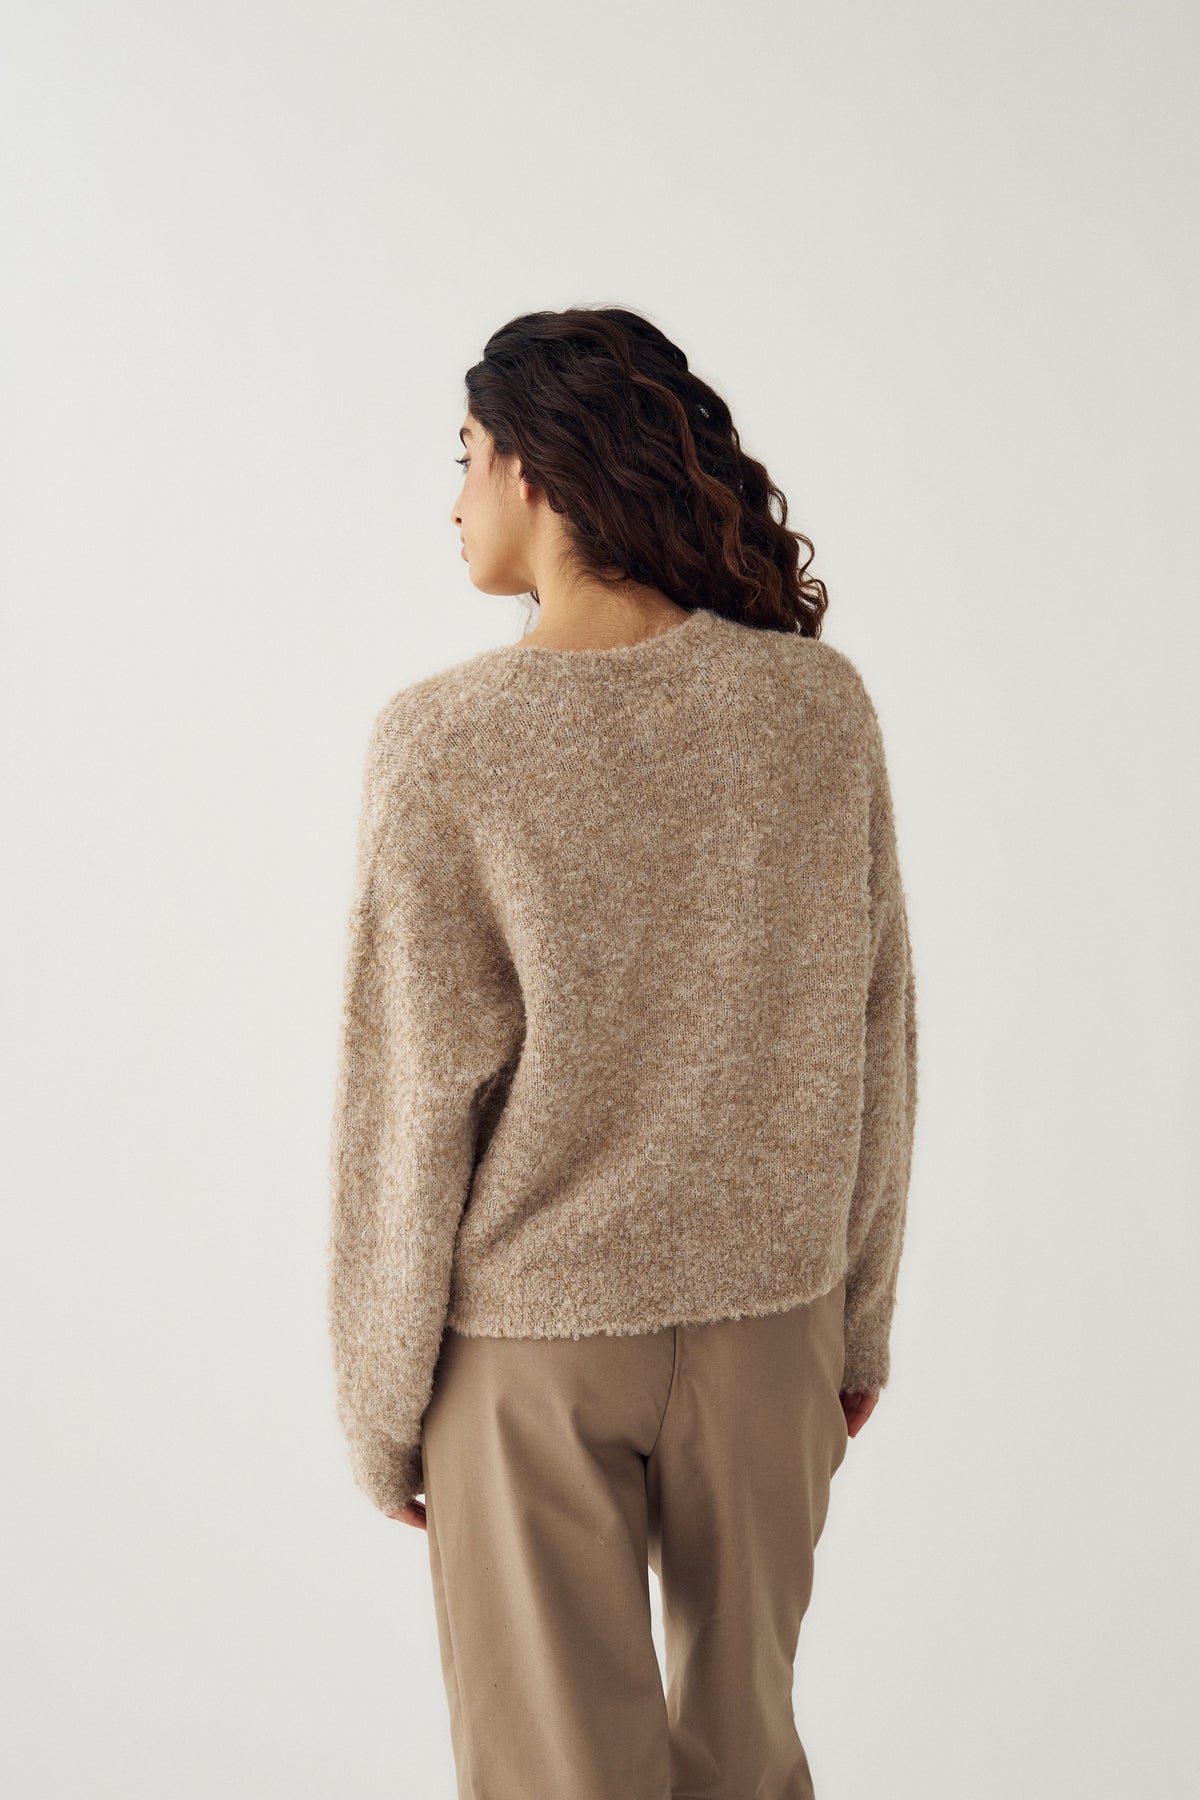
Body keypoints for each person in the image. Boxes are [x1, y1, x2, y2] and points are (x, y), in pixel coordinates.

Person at [326, 306, 919, 1800]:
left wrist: (383, 1402)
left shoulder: (443, 742)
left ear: (531, 467)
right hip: (771, 1323)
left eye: (464, 456)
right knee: (749, 1763)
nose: (453, 500)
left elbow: (411, 1103)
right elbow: (879, 1038)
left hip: (533, 1348)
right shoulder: (816, 709)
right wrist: (853, 1324)